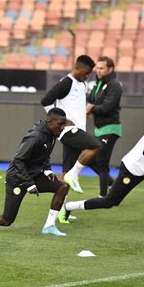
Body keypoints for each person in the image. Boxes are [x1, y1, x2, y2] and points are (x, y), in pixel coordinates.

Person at [0, 108, 69, 236]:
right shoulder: (36, 136)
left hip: (35, 175)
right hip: (17, 179)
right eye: (60, 124)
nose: (63, 127)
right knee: (6, 220)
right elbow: (18, 160)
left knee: (62, 187)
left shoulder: (52, 134)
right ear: (50, 121)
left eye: (64, 124)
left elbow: (44, 155)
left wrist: (47, 170)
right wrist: (29, 183)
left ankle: (49, 226)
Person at [41, 55, 101, 197]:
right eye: (85, 72)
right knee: (96, 146)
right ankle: (74, 175)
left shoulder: (81, 84)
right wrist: (62, 120)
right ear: (77, 67)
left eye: (89, 74)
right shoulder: (66, 82)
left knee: (65, 173)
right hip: (68, 131)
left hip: (77, 130)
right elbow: (46, 100)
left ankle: (59, 212)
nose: (87, 76)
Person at [86, 56, 123, 197]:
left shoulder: (115, 85)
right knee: (88, 158)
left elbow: (107, 107)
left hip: (111, 128)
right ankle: (112, 184)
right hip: (99, 128)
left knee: (102, 162)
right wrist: (89, 107)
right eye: (97, 68)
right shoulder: (98, 84)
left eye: (102, 68)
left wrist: (91, 109)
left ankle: (103, 196)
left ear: (111, 69)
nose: (98, 71)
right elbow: (90, 100)